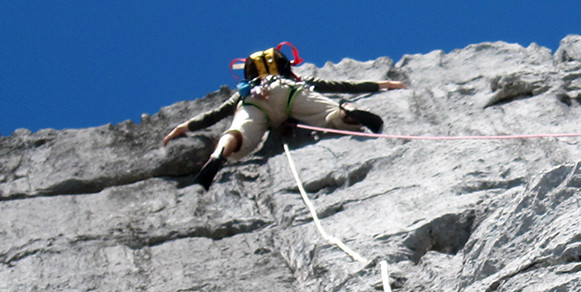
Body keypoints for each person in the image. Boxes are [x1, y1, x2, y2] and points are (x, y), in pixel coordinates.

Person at [161, 43, 406, 188]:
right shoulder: (293, 79)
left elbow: (216, 114)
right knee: (329, 113)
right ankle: (348, 113)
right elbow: (340, 85)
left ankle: (218, 155)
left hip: (254, 102)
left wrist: (184, 126)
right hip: (289, 92)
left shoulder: (245, 90)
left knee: (238, 133)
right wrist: (382, 84)